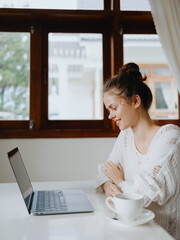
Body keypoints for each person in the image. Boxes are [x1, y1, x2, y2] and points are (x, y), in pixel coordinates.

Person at [96, 62, 180, 239]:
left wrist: (118, 179)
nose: (110, 115)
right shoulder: (126, 136)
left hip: (162, 234)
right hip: (133, 230)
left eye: (114, 108)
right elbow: (104, 171)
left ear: (135, 101)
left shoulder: (170, 137)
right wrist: (107, 185)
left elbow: (144, 194)